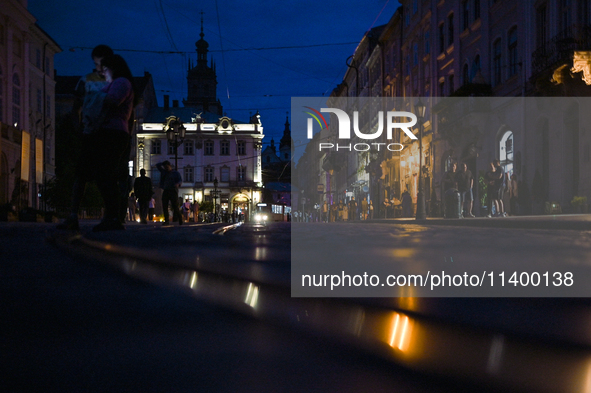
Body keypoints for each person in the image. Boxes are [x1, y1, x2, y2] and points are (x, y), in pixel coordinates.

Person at [57, 45, 114, 231]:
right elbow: (76, 108)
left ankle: (107, 216)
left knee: (101, 177)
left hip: (104, 133)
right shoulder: (87, 80)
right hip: (91, 133)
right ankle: (74, 215)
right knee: (82, 176)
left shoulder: (114, 81)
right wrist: (78, 128)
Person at [88, 54, 136, 232]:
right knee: (104, 175)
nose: (102, 73)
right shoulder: (116, 83)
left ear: (113, 69)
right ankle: (111, 216)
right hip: (110, 131)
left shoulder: (121, 83)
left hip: (113, 132)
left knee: (106, 175)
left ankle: (113, 216)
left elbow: (112, 101)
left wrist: (93, 96)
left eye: (104, 69)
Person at [156, 160, 182, 225]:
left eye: (167, 167)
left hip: (173, 190)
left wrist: (178, 184)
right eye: (165, 167)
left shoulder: (175, 173)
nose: (166, 168)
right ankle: (166, 221)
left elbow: (180, 180)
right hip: (166, 190)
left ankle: (180, 218)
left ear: (170, 166)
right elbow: (157, 165)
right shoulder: (164, 172)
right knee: (164, 206)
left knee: (175, 206)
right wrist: (163, 163)